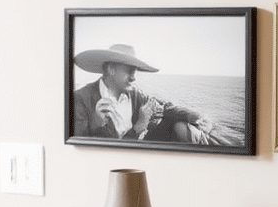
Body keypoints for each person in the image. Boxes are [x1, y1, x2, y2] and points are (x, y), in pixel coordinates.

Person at [72, 43, 219, 144]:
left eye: (135, 71)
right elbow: (86, 150)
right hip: (110, 165)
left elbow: (164, 107)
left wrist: (195, 116)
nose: (134, 77)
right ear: (111, 69)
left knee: (180, 125)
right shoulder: (81, 98)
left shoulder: (135, 95)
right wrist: (139, 126)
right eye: (129, 70)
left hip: (140, 156)